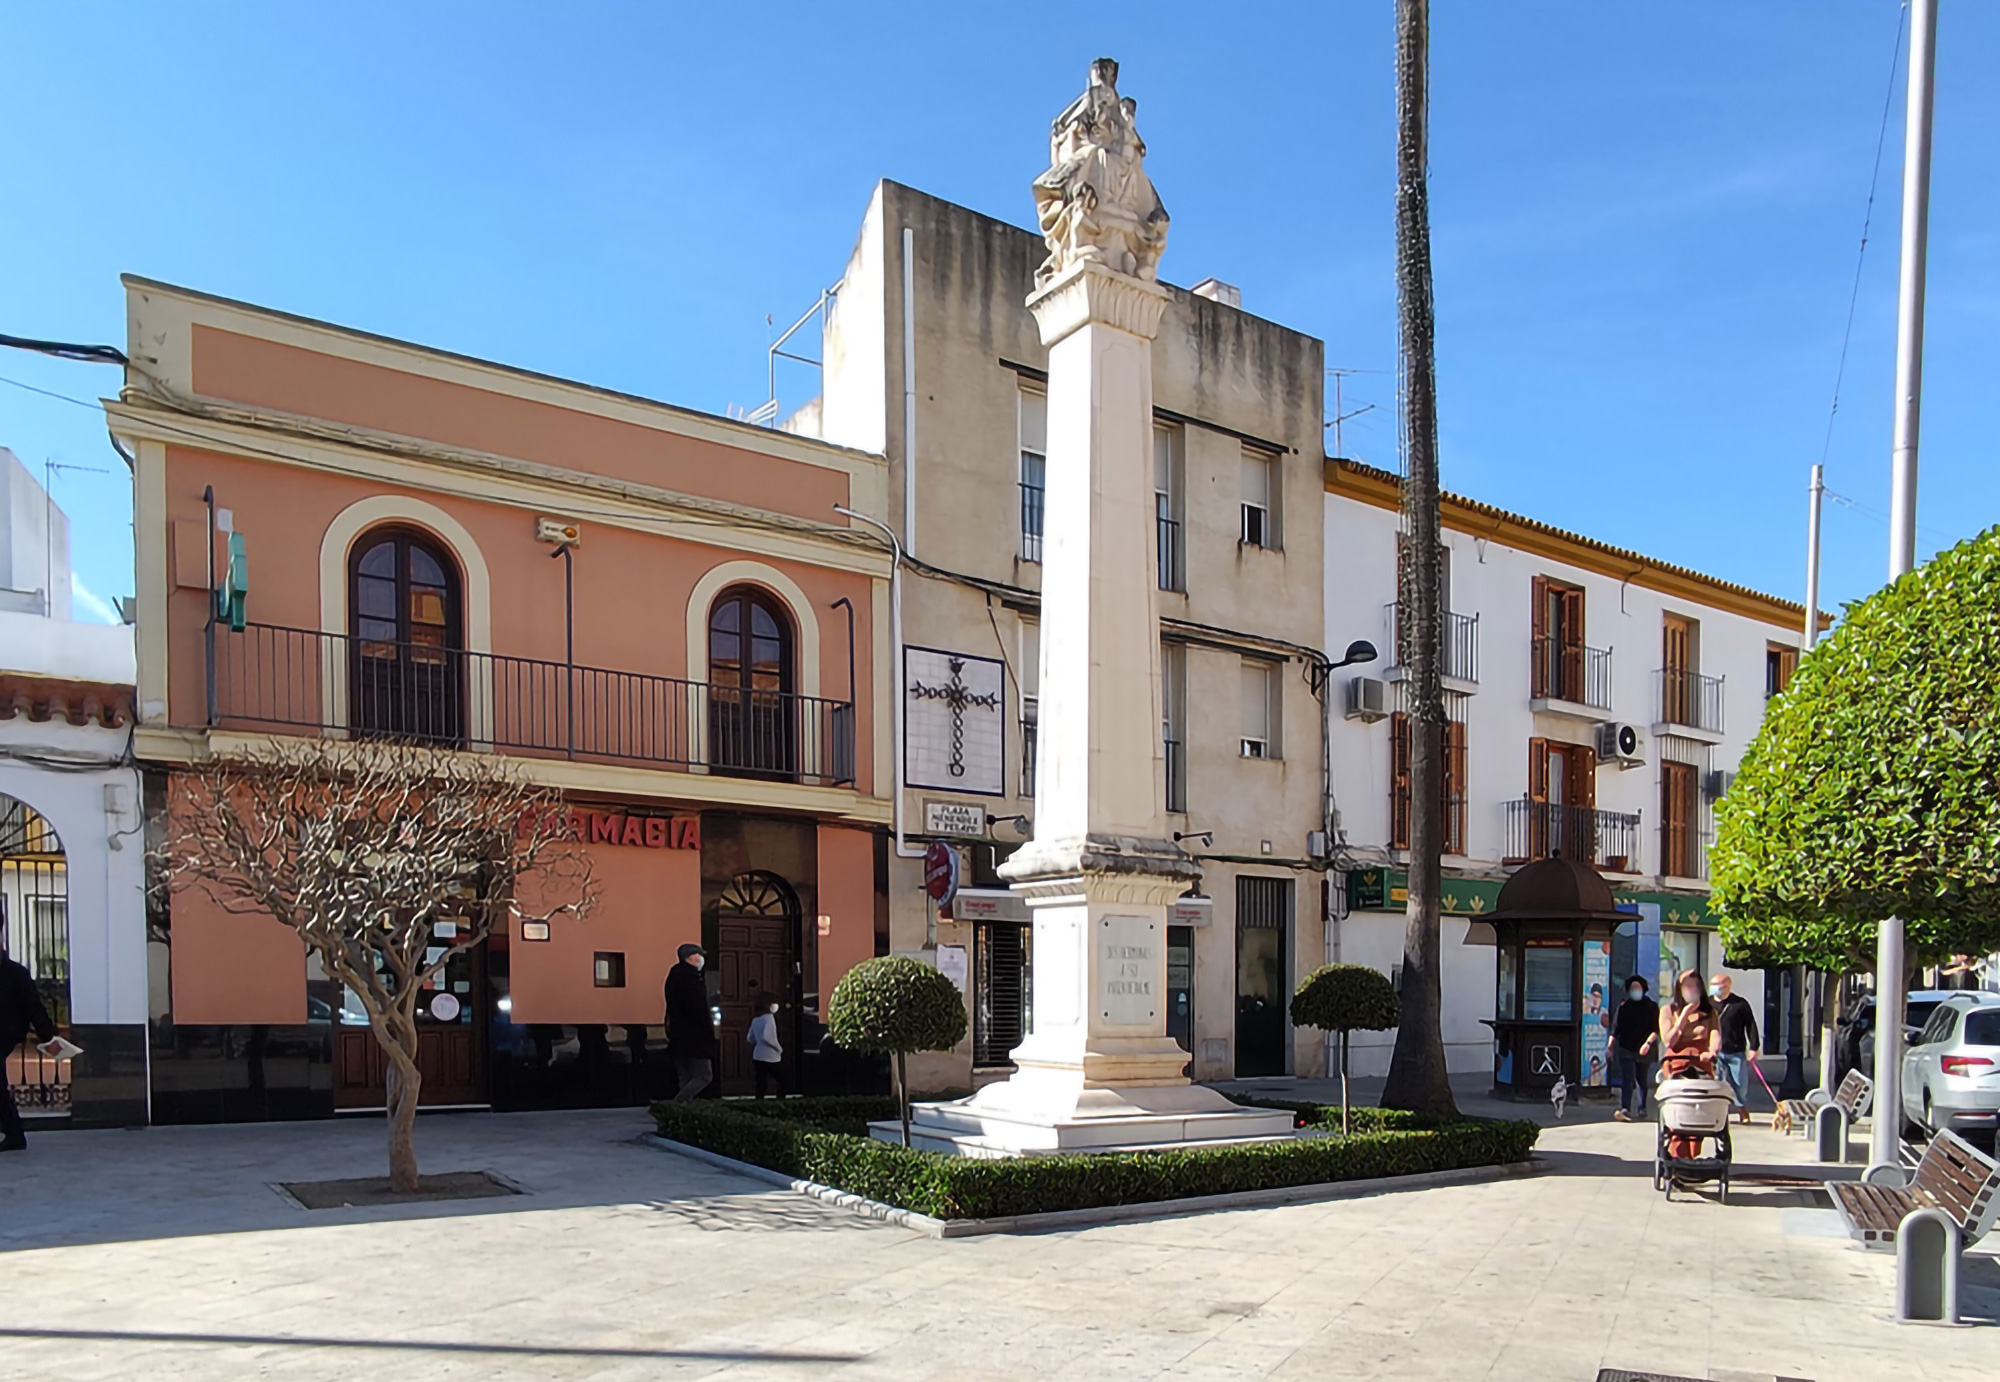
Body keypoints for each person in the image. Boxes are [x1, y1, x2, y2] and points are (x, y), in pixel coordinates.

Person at [1659, 968, 1722, 1159]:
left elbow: (1715, 1036)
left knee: (1701, 1104)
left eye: (1695, 985)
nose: (1691, 989)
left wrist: (1712, 1051)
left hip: (1701, 1062)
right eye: (1687, 986)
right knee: (1680, 1104)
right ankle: (1677, 1155)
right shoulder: (1668, 1011)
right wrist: (1684, 1017)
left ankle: (1694, 1153)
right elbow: (1668, 1041)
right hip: (1677, 1062)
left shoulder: (1709, 1014)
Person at [1, 940, 58, 1151]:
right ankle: (13, 1133)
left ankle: (14, 1133)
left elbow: (33, 1006)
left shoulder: (16, 973)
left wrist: (48, 1035)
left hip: (5, 1031)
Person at [663, 943, 716, 1102]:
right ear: (692, 957)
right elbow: (699, 1010)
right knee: (704, 1076)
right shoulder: (692, 978)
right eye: (700, 956)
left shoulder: (673, 976)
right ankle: (676, 1106)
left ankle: (684, 1113)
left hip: (678, 1036)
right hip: (695, 1038)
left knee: (685, 1079)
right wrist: (709, 1034)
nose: (702, 959)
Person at [1711, 973, 1761, 1124]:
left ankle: (1742, 1108)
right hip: (1714, 1052)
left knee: (1740, 1083)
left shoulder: (1739, 1004)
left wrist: (1753, 1047)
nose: (1713, 988)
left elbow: (1751, 1026)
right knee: (1717, 1082)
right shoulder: (1706, 1004)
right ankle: (1720, 1112)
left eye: (1717, 985)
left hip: (1735, 1050)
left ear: (1727, 986)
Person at [1609, 975, 1660, 1122]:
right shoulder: (1624, 1007)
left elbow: (1656, 1029)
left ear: (1643, 989)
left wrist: (1648, 1044)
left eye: (1637, 987)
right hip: (1626, 1047)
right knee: (1628, 1078)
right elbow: (1615, 1029)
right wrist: (1610, 1046)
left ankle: (1642, 1107)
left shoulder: (1651, 1006)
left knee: (1641, 1079)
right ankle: (1625, 1108)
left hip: (1645, 1048)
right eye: (1632, 988)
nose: (1635, 990)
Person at [747, 1000, 783, 1100]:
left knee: (761, 1083)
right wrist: (778, 1048)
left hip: (758, 1055)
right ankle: (781, 1101)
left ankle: (759, 1103)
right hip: (770, 1056)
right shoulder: (769, 1018)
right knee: (783, 1080)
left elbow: (750, 1037)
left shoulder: (756, 1020)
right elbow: (767, 1037)